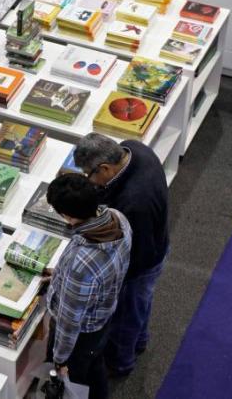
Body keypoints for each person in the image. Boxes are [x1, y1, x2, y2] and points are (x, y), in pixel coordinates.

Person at [73, 133, 169, 377]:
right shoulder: (133, 148)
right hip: (157, 243)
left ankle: (121, 363)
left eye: (90, 174)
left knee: (127, 314)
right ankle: (140, 341)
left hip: (142, 262)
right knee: (141, 305)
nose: (90, 180)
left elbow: (136, 256)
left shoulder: (134, 202)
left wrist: (112, 282)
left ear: (105, 167)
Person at [44, 173, 132, 399]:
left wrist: (61, 359)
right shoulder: (117, 217)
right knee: (95, 366)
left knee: (76, 381)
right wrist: (62, 276)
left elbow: (69, 321)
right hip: (103, 317)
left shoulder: (81, 265)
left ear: (67, 216)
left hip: (81, 336)